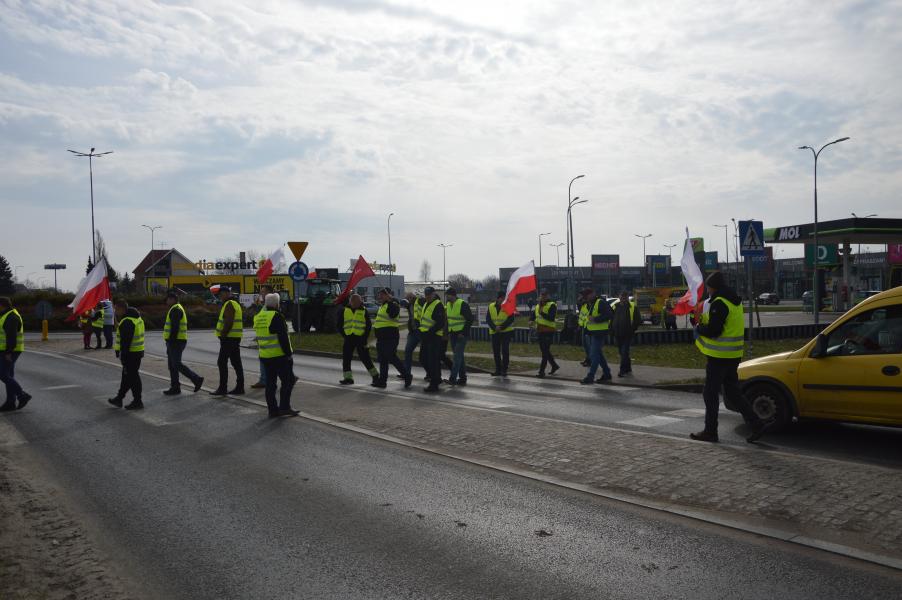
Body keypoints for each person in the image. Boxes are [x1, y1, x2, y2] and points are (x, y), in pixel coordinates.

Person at [690, 271, 772, 444]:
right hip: (733, 355)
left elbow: (714, 330)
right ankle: (757, 425)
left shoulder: (719, 303)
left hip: (719, 357)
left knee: (710, 394)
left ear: (714, 287)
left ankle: (710, 431)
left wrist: (698, 328)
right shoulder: (734, 301)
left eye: (709, 288)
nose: (708, 291)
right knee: (733, 393)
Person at [254, 293, 299, 418]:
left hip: (265, 356)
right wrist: (288, 354)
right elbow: (283, 337)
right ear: (277, 304)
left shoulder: (258, 317)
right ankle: (284, 407)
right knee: (288, 381)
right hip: (279, 356)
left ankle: (272, 410)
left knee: (270, 384)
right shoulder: (276, 316)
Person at [162, 291, 204, 395]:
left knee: (176, 364)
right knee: (172, 365)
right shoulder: (176, 308)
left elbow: (175, 327)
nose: (166, 301)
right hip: (176, 341)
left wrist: (171, 341)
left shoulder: (176, 309)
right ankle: (175, 387)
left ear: (172, 299)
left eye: (167, 299)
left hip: (176, 341)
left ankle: (196, 379)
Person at [108, 299, 145, 410]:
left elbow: (125, 342)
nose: (115, 311)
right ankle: (119, 398)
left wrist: (123, 356)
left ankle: (138, 401)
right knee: (127, 377)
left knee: (132, 378)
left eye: (116, 309)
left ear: (122, 309)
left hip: (130, 355)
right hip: (137, 352)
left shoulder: (127, 321)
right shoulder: (136, 318)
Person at [373, 288, 411, 389]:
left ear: (388, 295)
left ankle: (407, 375)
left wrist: (390, 301)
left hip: (390, 336)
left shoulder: (394, 303)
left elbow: (393, 314)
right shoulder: (383, 305)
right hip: (381, 337)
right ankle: (382, 381)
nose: (380, 296)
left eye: (382, 294)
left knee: (392, 357)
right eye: (380, 294)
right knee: (383, 360)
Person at [338, 293, 379, 385]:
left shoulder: (364, 311)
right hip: (348, 338)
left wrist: (364, 338)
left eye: (359, 302)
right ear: (351, 302)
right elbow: (339, 325)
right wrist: (345, 335)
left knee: (366, 359)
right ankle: (348, 378)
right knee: (346, 359)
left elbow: (368, 326)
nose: (358, 304)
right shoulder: (344, 310)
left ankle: (375, 376)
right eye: (355, 302)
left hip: (361, 339)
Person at [210, 286, 244, 396]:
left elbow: (229, 321)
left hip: (229, 338)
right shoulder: (234, 303)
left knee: (221, 362)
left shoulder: (229, 304)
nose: (220, 297)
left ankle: (223, 388)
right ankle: (240, 387)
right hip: (234, 337)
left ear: (227, 293)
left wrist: (223, 334)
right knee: (236, 363)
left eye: (221, 294)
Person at [0, 297, 31, 412]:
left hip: (10, 351)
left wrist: (8, 352)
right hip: (6, 350)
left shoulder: (11, 317)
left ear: (1, 305)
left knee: (3, 374)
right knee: (8, 375)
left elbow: (11, 336)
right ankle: (10, 402)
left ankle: (22, 395)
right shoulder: (5, 315)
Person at [580, 289, 614, 384]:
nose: (585, 297)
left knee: (594, 355)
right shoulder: (591, 304)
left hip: (599, 333)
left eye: (587, 295)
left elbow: (609, 315)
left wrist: (596, 319)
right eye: (584, 296)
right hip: (593, 332)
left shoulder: (600, 302)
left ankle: (590, 377)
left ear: (593, 294)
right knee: (599, 355)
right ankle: (607, 374)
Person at [419, 286, 446, 393]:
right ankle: (436, 378)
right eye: (426, 294)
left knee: (433, 361)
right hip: (425, 336)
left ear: (434, 294)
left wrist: (429, 332)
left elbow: (440, 323)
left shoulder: (438, 304)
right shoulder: (426, 304)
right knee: (423, 359)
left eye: (429, 294)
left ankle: (434, 384)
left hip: (434, 337)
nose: (427, 296)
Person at [445, 288, 473, 386]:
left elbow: (470, 319)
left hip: (461, 335)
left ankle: (452, 379)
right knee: (459, 356)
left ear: (453, 295)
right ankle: (462, 378)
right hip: (453, 334)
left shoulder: (462, 304)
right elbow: (449, 320)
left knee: (456, 357)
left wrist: (463, 332)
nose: (446, 297)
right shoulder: (448, 305)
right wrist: (448, 332)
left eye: (447, 295)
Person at [530, 288, 559, 378]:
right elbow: (534, 315)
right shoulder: (538, 306)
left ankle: (541, 371)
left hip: (548, 331)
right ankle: (554, 365)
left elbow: (551, 318)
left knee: (545, 352)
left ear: (548, 296)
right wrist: (530, 320)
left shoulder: (552, 305)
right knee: (544, 351)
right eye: (542, 295)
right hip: (540, 331)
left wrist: (542, 313)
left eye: (545, 295)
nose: (543, 297)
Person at [611, 291, 641, 377]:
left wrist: (632, 329)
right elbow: (611, 319)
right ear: (619, 297)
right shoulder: (615, 306)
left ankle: (622, 370)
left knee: (624, 352)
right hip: (617, 333)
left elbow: (638, 320)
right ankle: (628, 368)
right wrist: (611, 330)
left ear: (627, 298)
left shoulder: (633, 307)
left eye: (625, 297)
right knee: (622, 353)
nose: (623, 298)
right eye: (622, 297)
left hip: (628, 334)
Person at [251, 284, 274, 389]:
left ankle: (264, 380)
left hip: (269, 339)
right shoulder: (265, 305)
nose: (261, 294)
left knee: (266, 360)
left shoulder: (271, 305)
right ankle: (290, 376)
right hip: (264, 338)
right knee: (274, 361)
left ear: (269, 293)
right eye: (261, 292)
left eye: (263, 292)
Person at [487, 291, 514, 377]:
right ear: (498, 298)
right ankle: (498, 370)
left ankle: (504, 370)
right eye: (502, 298)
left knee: (505, 351)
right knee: (496, 352)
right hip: (495, 332)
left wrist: (501, 327)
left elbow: (511, 319)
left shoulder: (508, 305)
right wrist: (494, 327)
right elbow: (488, 319)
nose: (504, 300)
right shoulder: (491, 306)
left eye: (504, 298)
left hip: (506, 332)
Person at [403, 292, 425, 379]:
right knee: (407, 351)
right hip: (413, 331)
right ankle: (406, 373)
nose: (408, 300)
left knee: (424, 355)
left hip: (421, 331)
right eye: (407, 299)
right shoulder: (410, 305)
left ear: (412, 297)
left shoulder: (420, 301)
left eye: (408, 298)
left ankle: (430, 374)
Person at [578, 292, 591, 367]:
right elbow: (579, 308)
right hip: (584, 326)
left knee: (588, 345)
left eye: (581, 296)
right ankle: (587, 358)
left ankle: (590, 360)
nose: (579, 297)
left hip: (589, 327)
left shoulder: (588, 304)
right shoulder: (583, 305)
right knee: (585, 345)